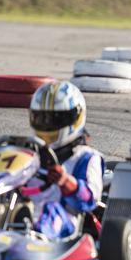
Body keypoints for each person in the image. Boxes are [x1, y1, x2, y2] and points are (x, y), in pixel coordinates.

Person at [24, 80, 104, 239]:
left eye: (55, 119)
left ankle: (32, 234)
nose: (47, 125)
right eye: (42, 118)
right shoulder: (29, 151)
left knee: (49, 210)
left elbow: (90, 200)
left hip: (62, 218)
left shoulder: (86, 157)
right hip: (23, 209)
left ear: (75, 118)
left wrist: (66, 182)